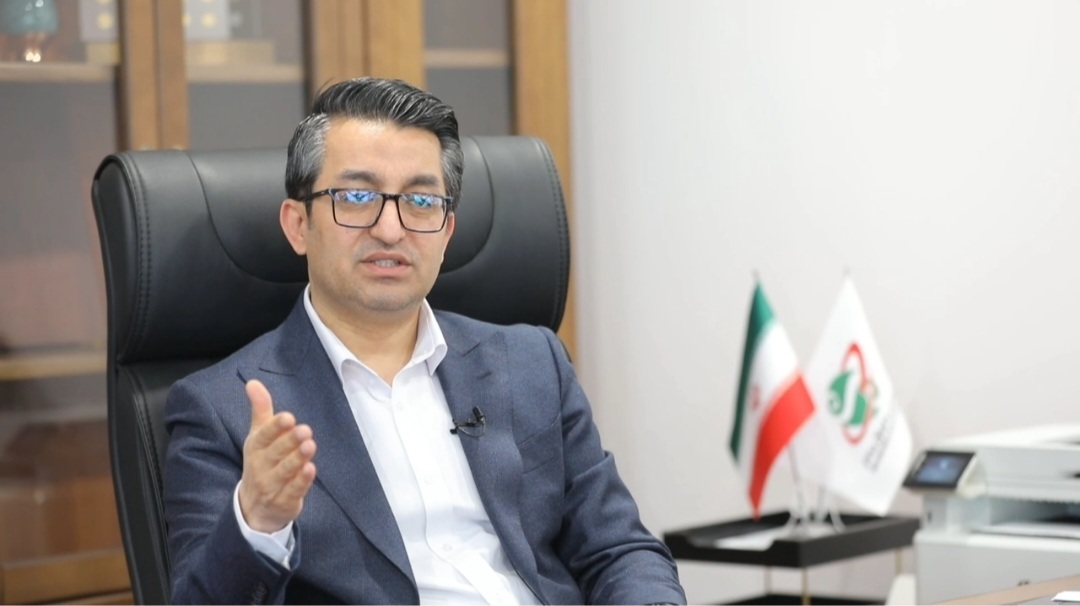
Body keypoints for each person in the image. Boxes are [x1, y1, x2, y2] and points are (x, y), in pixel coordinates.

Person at [163, 77, 686, 605]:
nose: (391, 230)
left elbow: (619, 550)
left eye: (420, 200)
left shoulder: (532, 363)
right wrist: (257, 522)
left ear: (447, 230)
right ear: (298, 225)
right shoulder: (222, 410)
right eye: (357, 196)